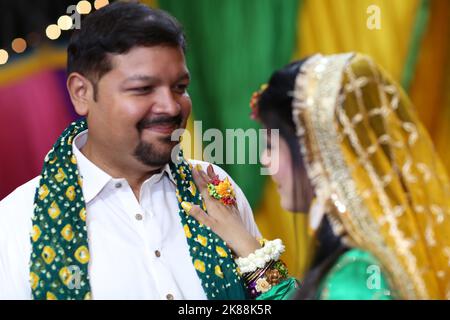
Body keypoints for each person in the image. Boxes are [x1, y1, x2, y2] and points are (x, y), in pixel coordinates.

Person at [0, 2, 268, 300]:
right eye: (143, 89)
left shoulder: (214, 188)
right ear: (82, 93)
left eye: (180, 87)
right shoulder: (18, 222)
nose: (171, 106)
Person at [185, 53, 450, 299]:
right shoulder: (375, 248)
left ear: (313, 151)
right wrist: (246, 244)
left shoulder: (357, 277)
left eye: (271, 146)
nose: (264, 160)